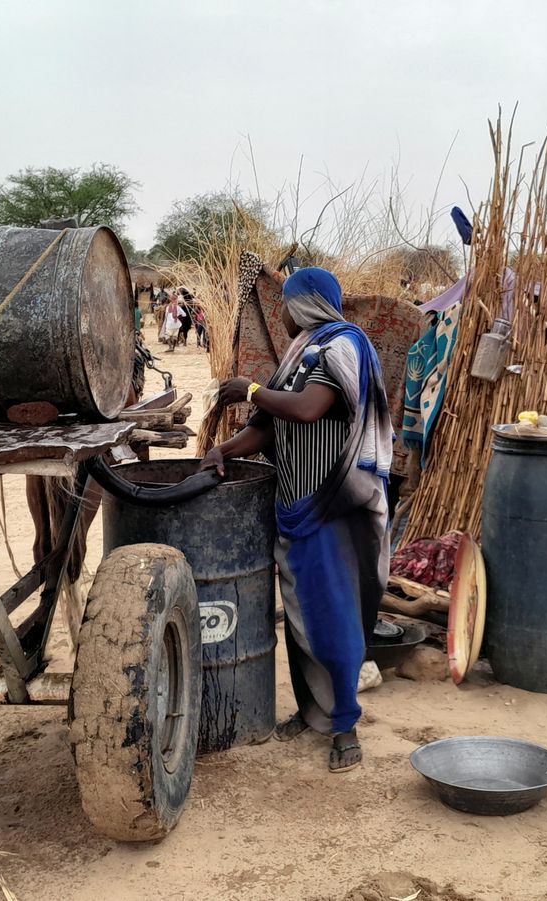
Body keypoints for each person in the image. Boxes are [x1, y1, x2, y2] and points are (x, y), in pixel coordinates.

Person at [201, 267, 391, 773]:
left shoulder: (342, 347)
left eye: (284, 304)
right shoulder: (303, 350)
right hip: (296, 504)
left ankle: (345, 724)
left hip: (334, 506)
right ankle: (314, 714)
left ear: (302, 303)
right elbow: (270, 428)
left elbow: (307, 409)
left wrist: (250, 389)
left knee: (334, 619)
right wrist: (224, 449)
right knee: (302, 618)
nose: (280, 314)